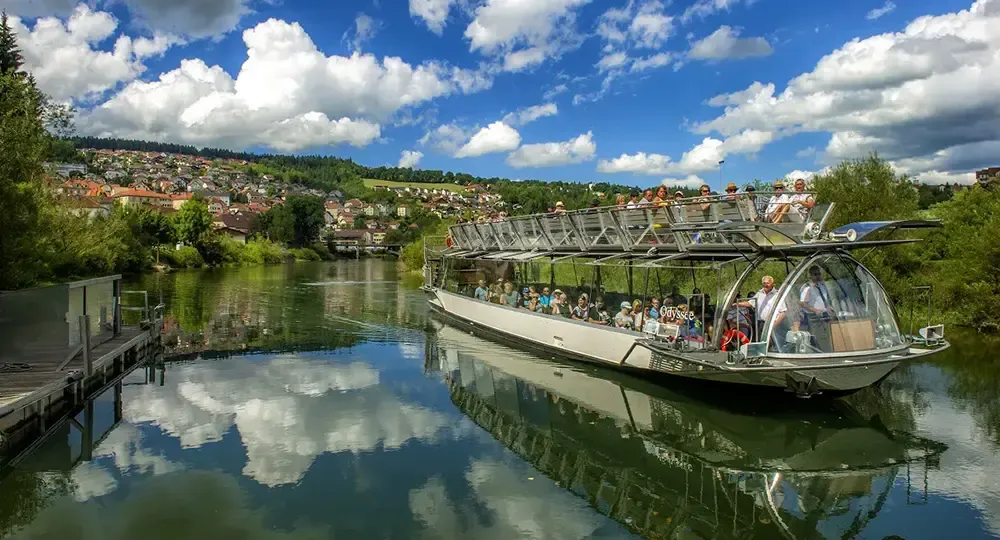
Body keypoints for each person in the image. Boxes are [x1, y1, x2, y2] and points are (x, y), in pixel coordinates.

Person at [734, 275, 786, 340]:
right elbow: (750, 303)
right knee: (761, 342)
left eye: (767, 283)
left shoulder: (777, 294)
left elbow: (783, 312)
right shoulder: (760, 293)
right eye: (764, 283)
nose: (765, 285)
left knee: (773, 344)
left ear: (773, 284)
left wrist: (773, 325)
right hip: (761, 323)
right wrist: (738, 304)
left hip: (773, 324)